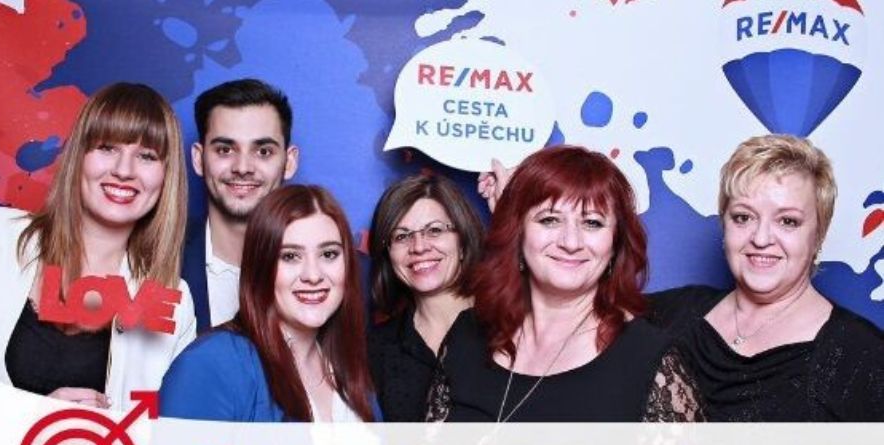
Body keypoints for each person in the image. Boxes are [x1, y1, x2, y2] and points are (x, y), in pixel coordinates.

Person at [444, 145, 703, 422]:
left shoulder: (652, 361)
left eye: (592, 223)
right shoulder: (466, 335)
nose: (570, 242)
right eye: (550, 220)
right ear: (517, 232)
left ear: (616, 243)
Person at [0, 82, 196, 411]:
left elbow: (162, 432)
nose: (124, 171)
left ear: (166, 176)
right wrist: (30, 417)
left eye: (146, 156)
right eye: (107, 148)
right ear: (79, 155)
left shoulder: (175, 303)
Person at [648, 134, 884, 421]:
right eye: (743, 217)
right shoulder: (667, 315)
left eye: (788, 221)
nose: (761, 239)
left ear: (818, 234)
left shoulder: (862, 356)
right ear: (724, 224)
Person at [160, 186, 380, 422]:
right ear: (260, 267)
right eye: (290, 256)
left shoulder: (349, 364)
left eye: (328, 254)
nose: (313, 275)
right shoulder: (211, 363)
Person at [183, 78, 299, 333]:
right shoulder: (155, 262)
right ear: (199, 159)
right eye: (225, 150)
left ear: (289, 162)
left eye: (263, 151)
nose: (243, 167)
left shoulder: (333, 274)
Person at [366, 174, 484, 422]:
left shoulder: (512, 326)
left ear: (462, 241)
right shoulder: (375, 349)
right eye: (401, 236)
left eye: (435, 230)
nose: (419, 247)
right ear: (387, 254)